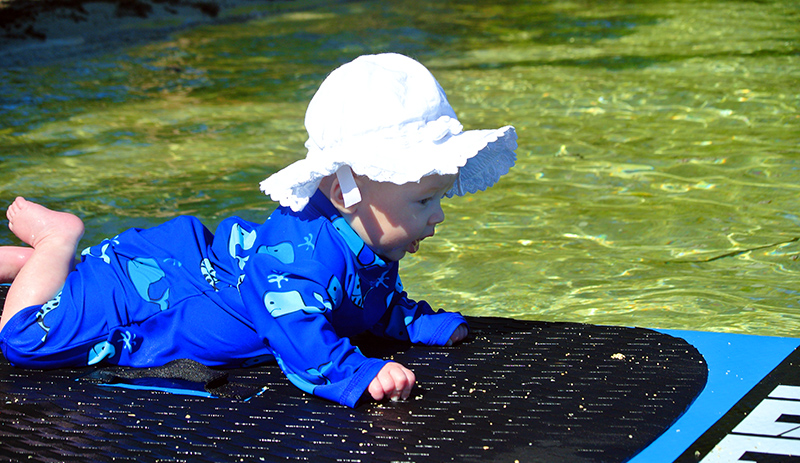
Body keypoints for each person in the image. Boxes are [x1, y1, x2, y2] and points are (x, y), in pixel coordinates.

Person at [0, 53, 517, 407]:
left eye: (438, 197)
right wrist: (357, 372)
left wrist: (414, 323)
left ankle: (41, 266)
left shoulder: (365, 236)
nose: (438, 215)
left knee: (64, 292)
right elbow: (295, 329)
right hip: (144, 294)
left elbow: (367, 301)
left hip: (171, 267)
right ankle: (55, 241)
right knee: (23, 340)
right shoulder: (300, 256)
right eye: (425, 200)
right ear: (345, 195)